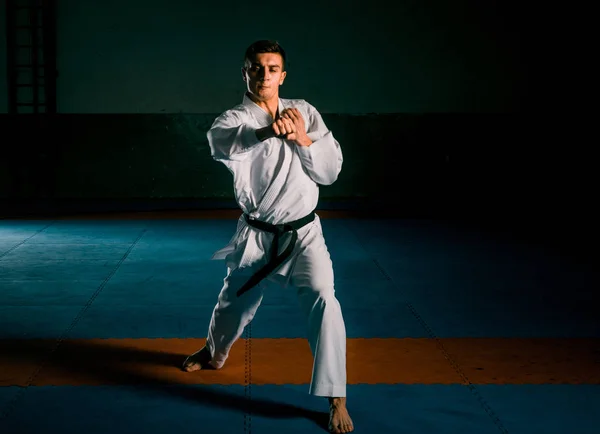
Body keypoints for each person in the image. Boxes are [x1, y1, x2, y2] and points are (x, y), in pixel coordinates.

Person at [182, 40, 354, 433]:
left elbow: (329, 173)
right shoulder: (233, 119)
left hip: (305, 233)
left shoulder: (304, 111)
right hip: (258, 235)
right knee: (233, 301)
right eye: (256, 68)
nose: (264, 75)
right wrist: (265, 132)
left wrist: (303, 139)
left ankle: (336, 397)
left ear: (283, 74)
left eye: (272, 68)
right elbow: (221, 144)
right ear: (245, 72)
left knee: (325, 299)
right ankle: (214, 352)